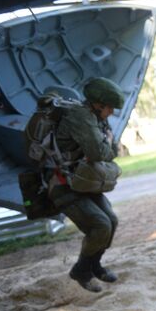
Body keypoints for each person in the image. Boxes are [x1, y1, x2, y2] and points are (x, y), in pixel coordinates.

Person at [50, 77, 123, 292]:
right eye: (110, 108)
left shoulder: (95, 117)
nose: (111, 113)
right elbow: (100, 152)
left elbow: (110, 150)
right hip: (63, 184)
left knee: (111, 221)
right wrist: (108, 146)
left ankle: (94, 265)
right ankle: (81, 270)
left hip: (85, 181)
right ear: (98, 103)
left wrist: (108, 148)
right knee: (100, 225)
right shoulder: (80, 117)